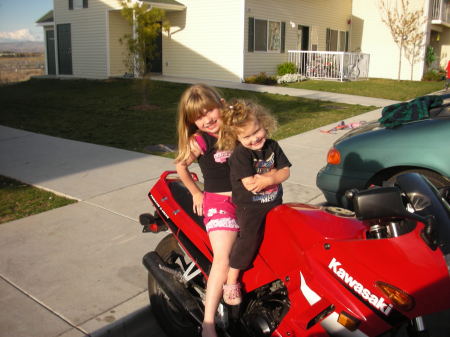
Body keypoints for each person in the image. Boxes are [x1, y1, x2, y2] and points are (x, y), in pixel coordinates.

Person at [175, 84, 239, 337]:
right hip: (219, 204)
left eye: (210, 110)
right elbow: (181, 167)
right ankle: (209, 323)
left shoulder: (236, 129)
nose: (207, 119)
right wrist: (196, 192)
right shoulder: (199, 140)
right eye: (198, 117)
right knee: (223, 257)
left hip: (246, 201)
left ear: (221, 104)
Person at [218, 99, 291, 302]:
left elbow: (286, 171)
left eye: (256, 131)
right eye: (246, 136)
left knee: (284, 233)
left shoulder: (273, 146)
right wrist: (273, 174)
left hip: (274, 202)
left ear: (264, 124)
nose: (254, 139)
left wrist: (270, 177)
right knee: (249, 238)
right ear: (236, 137)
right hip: (250, 207)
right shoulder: (241, 155)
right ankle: (232, 280)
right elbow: (251, 185)